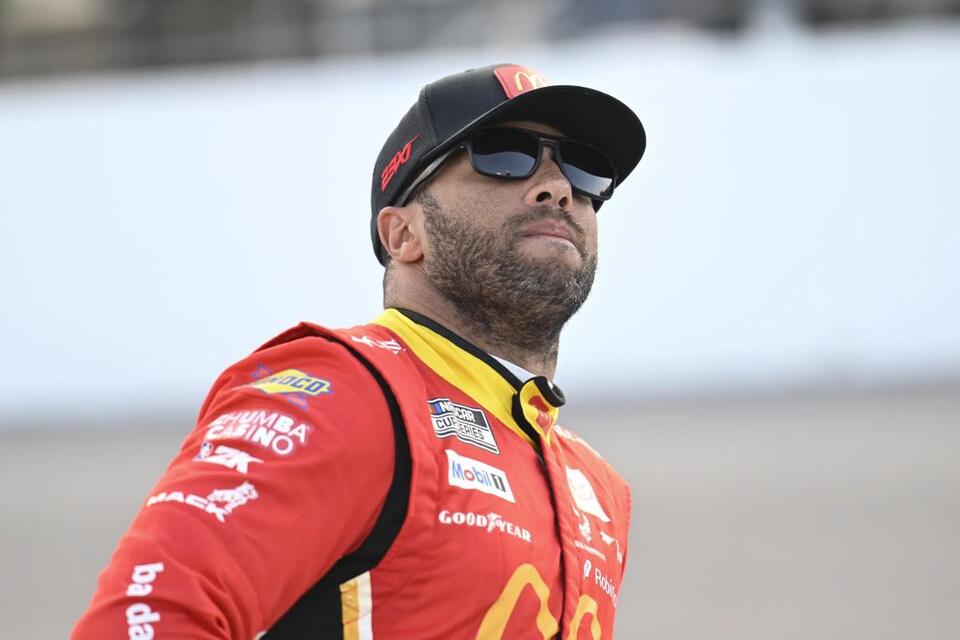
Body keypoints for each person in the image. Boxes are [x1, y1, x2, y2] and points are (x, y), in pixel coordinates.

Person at [72, 62, 646, 639]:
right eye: (503, 154)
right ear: (403, 235)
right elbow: (140, 619)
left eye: (584, 168)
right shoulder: (342, 392)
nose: (559, 187)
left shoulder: (599, 489)